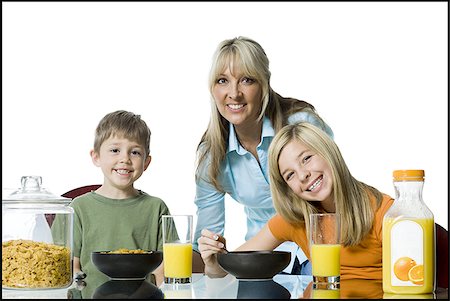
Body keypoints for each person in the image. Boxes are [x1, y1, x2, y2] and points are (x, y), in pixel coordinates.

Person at [193, 36, 334, 275]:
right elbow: (204, 247)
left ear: (264, 83)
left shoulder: (302, 125)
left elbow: (338, 193)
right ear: (212, 89)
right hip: (262, 264)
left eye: (246, 80)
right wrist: (209, 254)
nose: (234, 94)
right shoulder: (212, 156)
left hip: (323, 253)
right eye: (222, 81)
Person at [198, 122, 394, 282]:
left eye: (307, 158)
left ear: (328, 151)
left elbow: (414, 280)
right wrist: (214, 261)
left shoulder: (385, 213)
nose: (302, 175)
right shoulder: (297, 219)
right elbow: (228, 267)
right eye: (290, 175)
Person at [52, 110, 173, 296]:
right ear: (96, 157)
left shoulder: (156, 208)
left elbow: (165, 270)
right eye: (115, 150)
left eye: (135, 152)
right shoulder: (77, 208)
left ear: (146, 162)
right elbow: (69, 269)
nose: (124, 159)